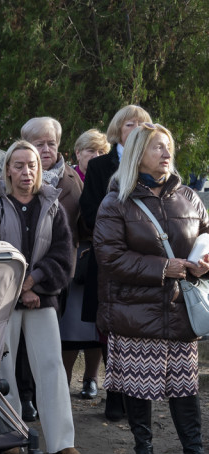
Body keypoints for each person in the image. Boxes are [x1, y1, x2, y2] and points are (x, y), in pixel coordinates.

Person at [94, 122, 209, 454]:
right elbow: (109, 257)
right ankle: (143, 451)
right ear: (138, 154)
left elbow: (205, 235)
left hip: (179, 309)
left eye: (168, 146)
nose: (166, 153)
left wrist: (203, 263)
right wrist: (165, 267)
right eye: (158, 147)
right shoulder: (116, 201)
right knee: (137, 388)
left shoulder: (189, 197)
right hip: (135, 311)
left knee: (185, 390)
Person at [0, 140, 81, 454]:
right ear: (7, 169)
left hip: (42, 297)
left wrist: (35, 282)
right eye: (19, 165)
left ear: (40, 169)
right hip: (2, 301)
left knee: (51, 366)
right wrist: (17, 289)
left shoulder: (53, 206)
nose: (26, 171)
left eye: (32, 165)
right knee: (4, 368)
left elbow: (64, 254)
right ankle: (8, 435)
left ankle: (62, 440)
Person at [78, 104, 153, 421]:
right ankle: (115, 394)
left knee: (136, 326)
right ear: (117, 130)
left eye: (142, 124)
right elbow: (91, 213)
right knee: (108, 328)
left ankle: (134, 398)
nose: (135, 128)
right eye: (129, 124)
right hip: (108, 259)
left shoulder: (154, 164)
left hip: (143, 260)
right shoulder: (98, 168)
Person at [19, 116, 95, 399]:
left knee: (52, 338)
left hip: (61, 271)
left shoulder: (73, 180)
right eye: (39, 143)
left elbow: (83, 226)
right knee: (24, 340)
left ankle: (45, 394)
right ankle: (25, 395)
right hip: (24, 273)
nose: (47, 149)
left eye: (51, 143)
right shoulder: (17, 177)